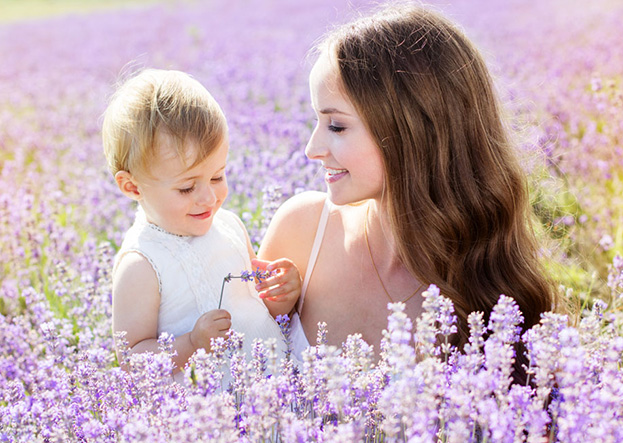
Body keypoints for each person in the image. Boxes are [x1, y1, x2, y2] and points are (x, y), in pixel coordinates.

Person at [258, 3, 556, 382]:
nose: (311, 149)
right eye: (316, 120)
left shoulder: (481, 277)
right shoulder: (301, 230)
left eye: (336, 126)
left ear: (411, 131)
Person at [102, 69, 300, 384]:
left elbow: (256, 309)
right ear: (133, 187)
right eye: (186, 188)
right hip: (205, 418)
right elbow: (132, 360)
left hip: (276, 387)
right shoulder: (141, 264)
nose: (209, 197)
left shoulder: (230, 226)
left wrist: (283, 297)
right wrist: (192, 343)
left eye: (217, 176)